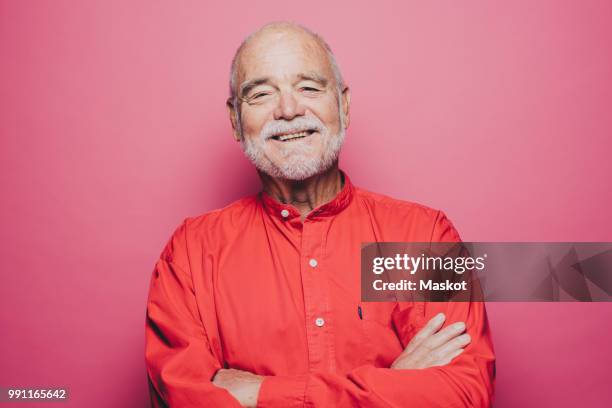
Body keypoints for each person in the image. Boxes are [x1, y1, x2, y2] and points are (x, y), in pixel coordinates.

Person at [145, 21, 495, 407]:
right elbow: (183, 400)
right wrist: (392, 385)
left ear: (343, 104)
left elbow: (463, 394)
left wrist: (261, 393)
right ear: (234, 120)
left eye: (309, 88)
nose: (289, 110)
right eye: (261, 94)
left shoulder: (424, 236)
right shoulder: (190, 255)